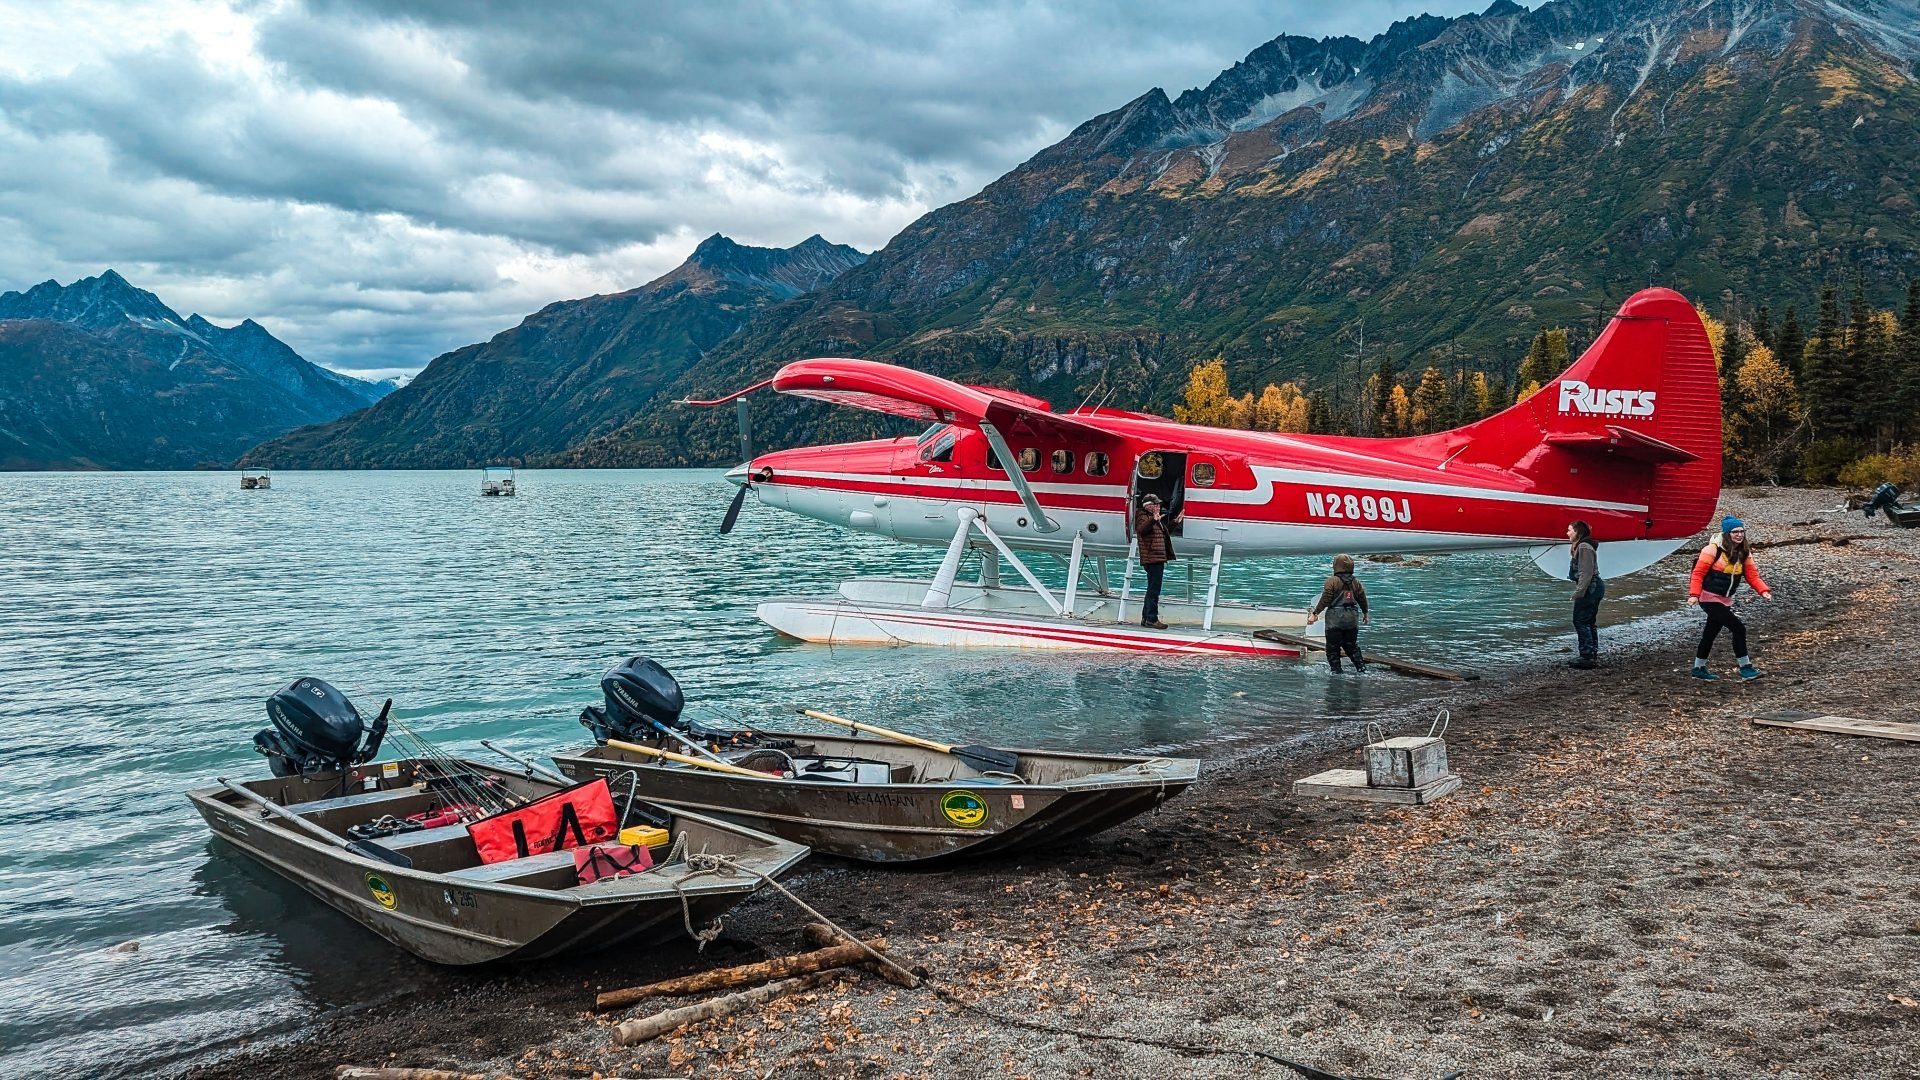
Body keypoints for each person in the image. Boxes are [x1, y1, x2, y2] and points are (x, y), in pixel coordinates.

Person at [1687, 516, 1774, 680]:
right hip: (1708, 597)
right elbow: (1698, 574)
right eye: (1735, 532)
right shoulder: (1712, 550)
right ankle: (1745, 668)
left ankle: (1698, 669)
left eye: (1742, 531)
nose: (1739, 535)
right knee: (1738, 628)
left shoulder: (1744, 552)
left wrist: (1763, 591)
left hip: (1725, 599)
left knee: (1710, 633)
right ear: (1727, 533)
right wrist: (1694, 595)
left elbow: (1752, 575)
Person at [1306, 554, 1369, 673]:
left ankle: (1337, 672)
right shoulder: (1356, 582)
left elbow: (1326, 599)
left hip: (1335, 619)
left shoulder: (1332, 581)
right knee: (1351, 646)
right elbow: (1362, 599)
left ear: (1336, 566)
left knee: (1332, 648)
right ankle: (1361, 668)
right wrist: (1365, 613)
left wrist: (1315, 613)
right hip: (1352, 618)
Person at [1134, 494, 1179, 630]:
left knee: (1152, 589)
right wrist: (1153, 520)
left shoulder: (1154, 519)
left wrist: (1175, 521)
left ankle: (1146, 618)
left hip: (1157, 557)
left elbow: (1163, 533)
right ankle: (1152, 619)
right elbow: (1141, 530)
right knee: (1154, 590)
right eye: (1156, 504)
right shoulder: (1143, 516)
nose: (1159, 506)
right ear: (1148, 506)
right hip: (1153, 558)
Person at [1568, 520, 1604, 669]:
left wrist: (1579, 592)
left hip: (1591, 588)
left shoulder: (1584, 547)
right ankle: (1591, 653)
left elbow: (1586, 573)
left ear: (1577, 532)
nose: (1567, 533)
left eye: (1570, 530)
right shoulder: (1582, 547)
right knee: (1589, 621)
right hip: (1593, 587)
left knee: (1580, 621)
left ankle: (1587, 656)